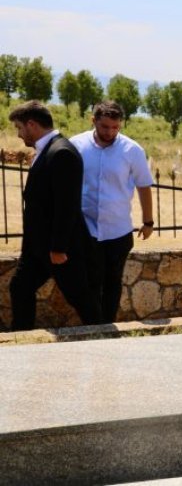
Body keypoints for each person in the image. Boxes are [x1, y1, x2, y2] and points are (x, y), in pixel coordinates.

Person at [7, 101, 100, 329]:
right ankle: (23, 337)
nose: (19, 135)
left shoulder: (62, 153)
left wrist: (58, 247)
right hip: (38, 248)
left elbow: (66, 205)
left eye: (19, 128)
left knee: (79, 296)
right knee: (20, 287)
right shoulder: (45, 151)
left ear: (31, 124)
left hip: (58, 249)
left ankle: (104, 335)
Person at [71, 101, 155, 323]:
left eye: (115, 127)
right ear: (94, 121)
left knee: (112, 282)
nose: (110, 132)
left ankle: (106, 326)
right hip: (85, 228)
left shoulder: (132, 150)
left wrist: (148, 222)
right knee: (88, 282)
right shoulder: (76, 145)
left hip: (118, 230)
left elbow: (144, 186)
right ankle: (92, 325)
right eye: (105, 126)